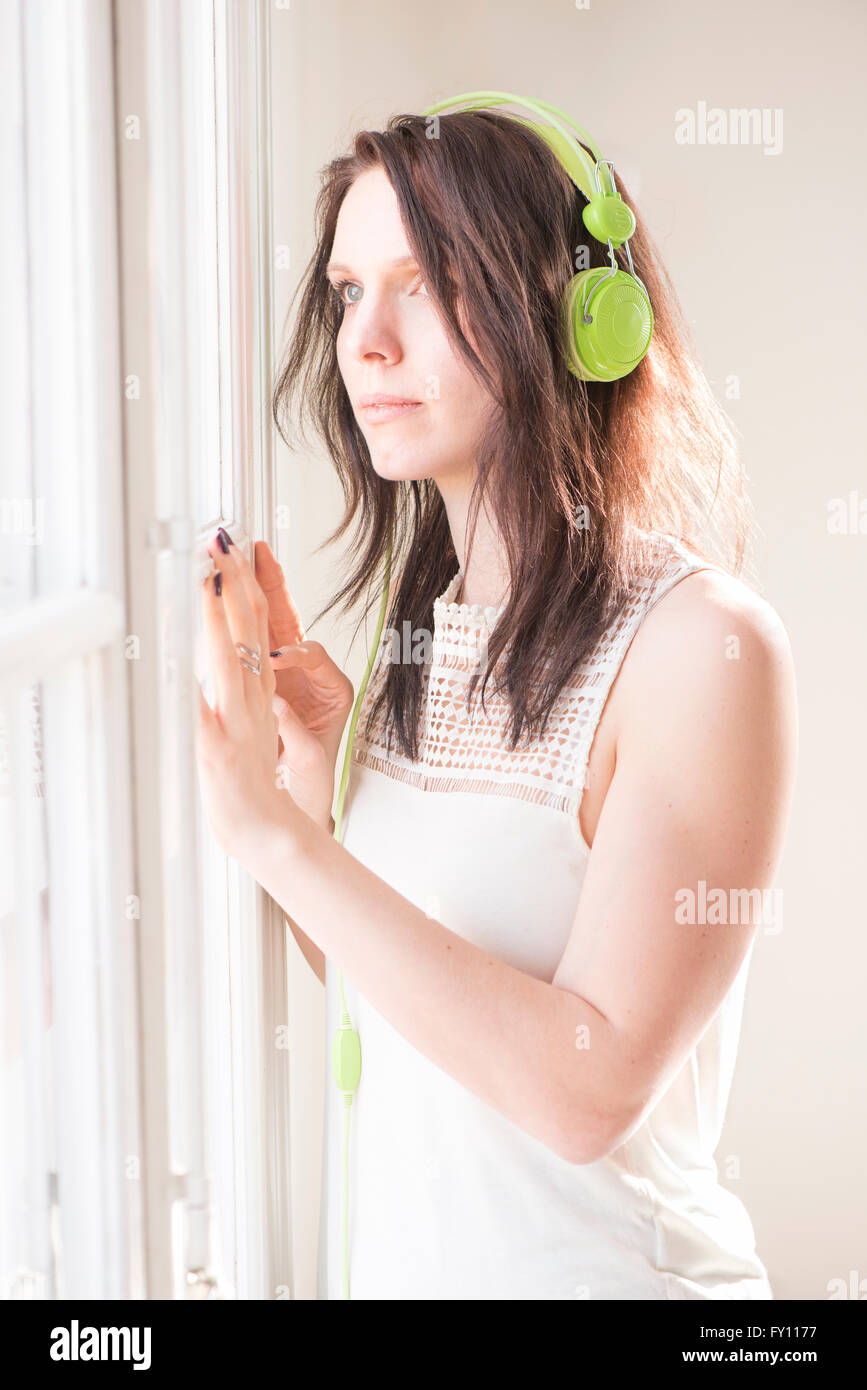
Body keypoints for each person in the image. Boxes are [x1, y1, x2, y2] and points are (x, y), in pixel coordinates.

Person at [195, 107, 797, 1300]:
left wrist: (280, 848)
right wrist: (325, 793)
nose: (364, 340)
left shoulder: (703, 647)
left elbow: (585, 1090)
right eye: (349, 288)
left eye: (424, 285)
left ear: (580, 315)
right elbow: (423, 1011)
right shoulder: (427, 634)